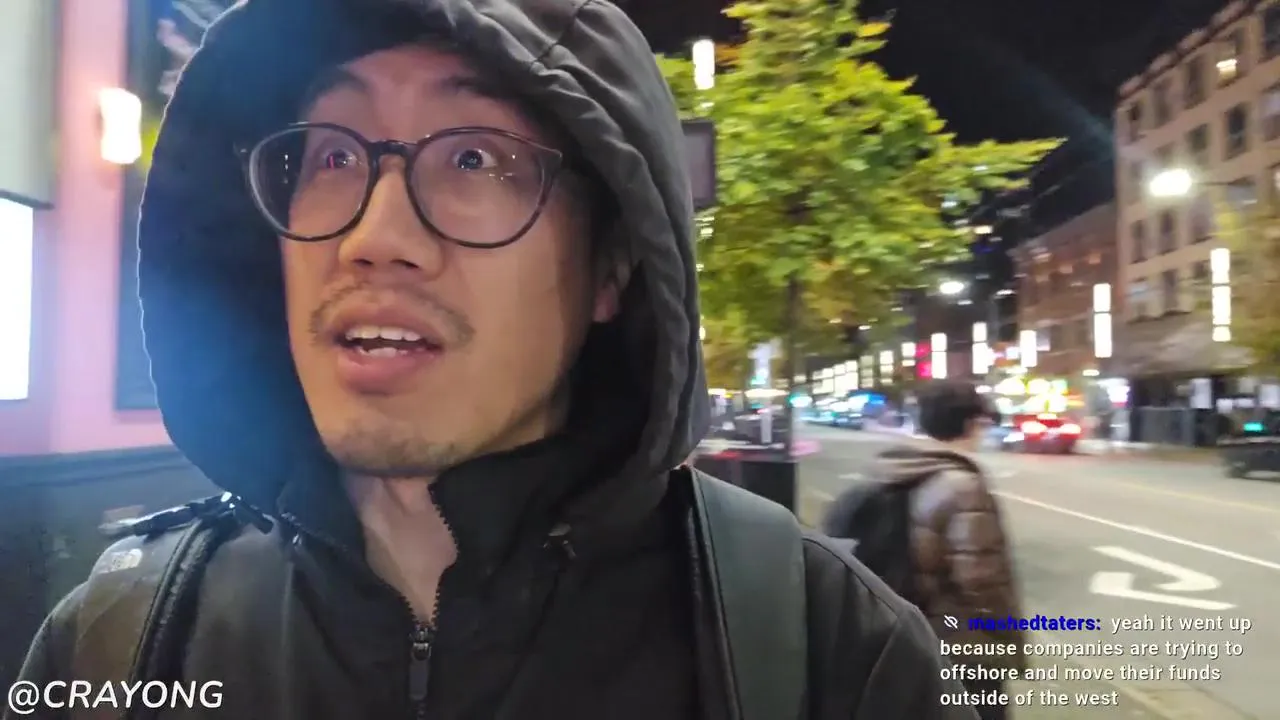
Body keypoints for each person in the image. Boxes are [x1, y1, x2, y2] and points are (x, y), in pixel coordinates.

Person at [7, 1, 976, 718]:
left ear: (610, 269)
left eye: (473, 158)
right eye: (332, 155)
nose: (374, 238)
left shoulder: (830, 651)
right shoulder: (119, 645)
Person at [866, 379, 1026, 720]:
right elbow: (983, 581)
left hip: (908, 638)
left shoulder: (897, 473)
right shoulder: (962, 486)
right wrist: (1009, 640)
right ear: (972, 423)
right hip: (964, 649)